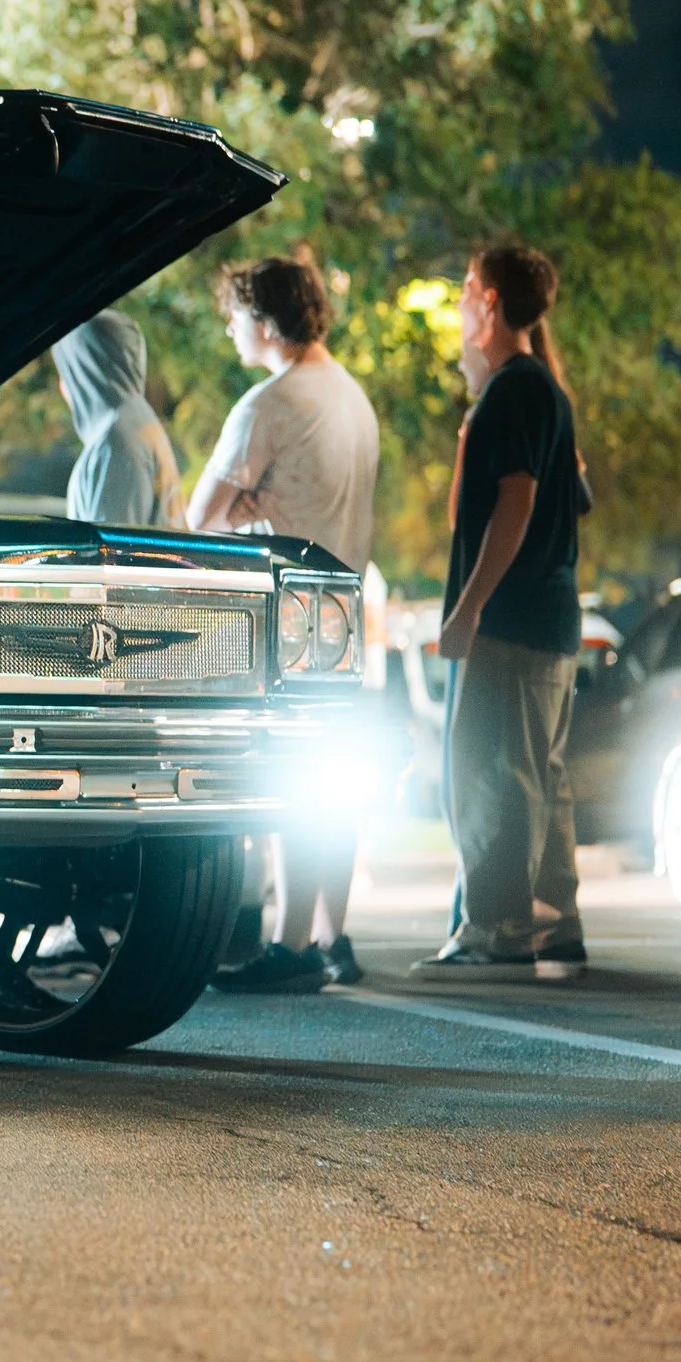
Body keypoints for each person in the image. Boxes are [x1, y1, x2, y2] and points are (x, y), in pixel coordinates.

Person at [189, 247, 382, 994]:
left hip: (280, 623)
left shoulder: (268, 405)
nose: (232, 331)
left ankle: (291, 944)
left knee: (290, 780)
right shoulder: (351, 398)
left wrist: (246, 507)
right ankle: (333, 935)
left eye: (237, 316)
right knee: (332, 782)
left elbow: (198, 518)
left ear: (265, 321)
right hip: (343, 619)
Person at [416, 241, 585, 976]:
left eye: (464, 288)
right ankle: (553, 920)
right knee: (538, 776)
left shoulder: (516, 388)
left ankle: (499, 930)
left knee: (492, 774)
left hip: (511, 622)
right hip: (548, 621)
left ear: (489, 300)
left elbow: (514, 504)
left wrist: (468, 609)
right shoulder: (539, 386)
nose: (458, 301)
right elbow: (565, 500)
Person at [51, 313, 186, 530]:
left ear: (82, 373)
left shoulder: (115, 442)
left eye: (66, 371)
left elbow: (109, 554)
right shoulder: (138, 421)